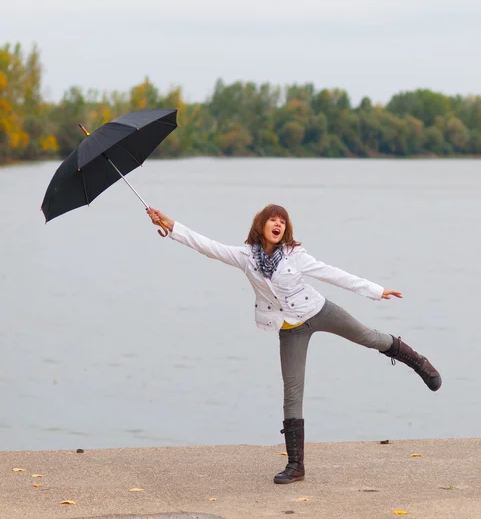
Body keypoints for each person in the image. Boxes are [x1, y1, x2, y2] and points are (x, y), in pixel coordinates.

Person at [146, 203, 441, 485]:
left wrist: (376, 290)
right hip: (290, 330)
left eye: (282, 220)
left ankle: (419, 362)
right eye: (272, 219)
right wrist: (169, 224)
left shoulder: (294, 255)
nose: (278, 223)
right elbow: (206, 246)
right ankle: (295, 465)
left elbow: (332, 273)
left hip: (319, 311)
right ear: (260, 225)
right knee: (292, 392)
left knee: (368, 337)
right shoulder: (245, 257)